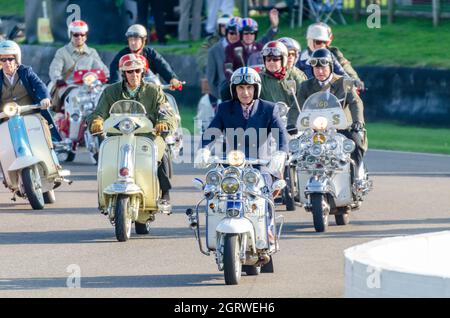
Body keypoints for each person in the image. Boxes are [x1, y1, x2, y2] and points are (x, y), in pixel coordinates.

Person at [87, 53, 177, 208]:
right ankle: (104, 191)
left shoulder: (154, 91)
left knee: (160, 152)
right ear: (123, 73)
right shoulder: (111, 91)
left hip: (148, 136)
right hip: (118, 135)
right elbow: (98, 111)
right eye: (130, 71)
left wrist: (163, 123)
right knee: (105, 155)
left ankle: (165, 192)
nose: (134, 74)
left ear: (143, 72)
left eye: (137, 70)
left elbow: (166, 112)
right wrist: (96, 120)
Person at [287, 48, 367, 181]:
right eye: (316, 68)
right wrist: (291, 123)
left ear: (330, 66)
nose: (320, 71)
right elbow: (296, 106)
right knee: (296, 148)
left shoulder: (343, 82)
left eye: (323, 67)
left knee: (355, 142)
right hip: (314, 129)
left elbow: (355, 103)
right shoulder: (306, 86)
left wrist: (357, 121)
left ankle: (357, 174)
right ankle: (296, 183)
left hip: (342, 127)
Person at [198, 66, 288, 167]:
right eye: (240, 87)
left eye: (249, 87)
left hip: (260, 167)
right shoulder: (224, 108)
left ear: (256, 88)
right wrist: (203, 149)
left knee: (268, 182)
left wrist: (281, 153)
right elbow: (211, 132)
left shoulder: (269, 109)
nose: (245, 92)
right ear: (234, 89)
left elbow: (281, 134)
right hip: (231, 167)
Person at [0, 40, 61, 143]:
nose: (7, 63)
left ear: (16, 59)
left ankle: (50, 151)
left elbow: (39, 85)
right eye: (3, 59)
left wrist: (44, 98)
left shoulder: (26, 72)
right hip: (6, 118)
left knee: (44, 130)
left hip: (31, 115)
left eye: (10, 59)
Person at [48, 20, 109, 110]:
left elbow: (103, 69)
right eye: (76, 35)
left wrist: (105, 76)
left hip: (90, 87)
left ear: (86, 36)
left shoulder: (92, 52)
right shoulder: (62, 52)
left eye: (82, 34)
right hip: (68, 85)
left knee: (103, 96)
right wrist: (58, 80)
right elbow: (54, 69)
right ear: (70, 35)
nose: (79, 37)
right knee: (74, 99)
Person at [109, 24, 182, 90]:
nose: (133, 42)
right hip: (129, 94)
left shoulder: (151, 53)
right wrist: (117, 86)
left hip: (150, 92)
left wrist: (172, 79)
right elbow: (115, 70)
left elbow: (163, 66)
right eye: (130, 39)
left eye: (136, 39)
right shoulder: (123, 55)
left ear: (143, 40)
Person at [297, 22, 363, 89]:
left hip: (333, 93)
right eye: (318, 42)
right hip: (309, 95)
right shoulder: (299, 60)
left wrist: (355, 80)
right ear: (310, 41)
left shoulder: (333, 53)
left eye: (325, 42)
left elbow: (344, 68)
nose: (323, 45)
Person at [224, 9, 280, 80]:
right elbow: (228, 67)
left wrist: (274, 26)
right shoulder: (231, 48)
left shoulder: (260, 47)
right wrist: (233, 79)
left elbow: (267, 38)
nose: (249, 36)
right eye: (246, 33)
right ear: (240, 34)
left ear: (255, 34)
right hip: (238, 81)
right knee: (224, 89)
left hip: (258, 80)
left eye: (252, 33)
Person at [259, 41, 306, 115]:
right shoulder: (259, 79)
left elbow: (305, 99)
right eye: (268, 59)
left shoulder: (295, 75)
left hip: (293, 119)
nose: (271, 62)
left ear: (283, 59)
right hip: (269, 120)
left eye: (275, 59)